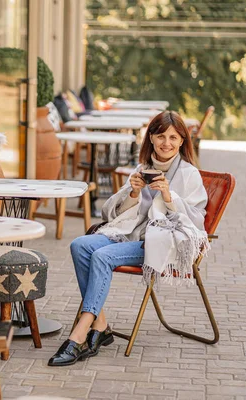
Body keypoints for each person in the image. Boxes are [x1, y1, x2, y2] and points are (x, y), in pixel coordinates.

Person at [48, 110, 209, 367]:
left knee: (101, 256)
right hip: (130, 236)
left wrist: (170, 197)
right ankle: (100, 325)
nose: (166, 143)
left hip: (159, 243)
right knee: (80, 245)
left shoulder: (189, 174)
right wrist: (133, 193)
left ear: (182, 141)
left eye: (173, 137)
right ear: (151, 139)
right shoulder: (142, 169)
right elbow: (114, 215)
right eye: (160, 136)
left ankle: (80, 333)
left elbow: (197, 222)